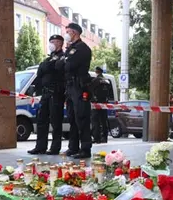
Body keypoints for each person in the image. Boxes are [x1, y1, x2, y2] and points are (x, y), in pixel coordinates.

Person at [58, 23, 93, 159]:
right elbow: (59, 65)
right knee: (72, 118)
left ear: (74, 33)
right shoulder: (70, 49)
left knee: (82, 118)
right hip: (70, 87)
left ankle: (85, 149)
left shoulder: (82, 48)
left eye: (67, 31)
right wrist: (65, 61)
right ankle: (73, 147)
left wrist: (65, 61)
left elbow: (69, 66)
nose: (66, 34)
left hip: (80, 86)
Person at [29, 34, 66, 155]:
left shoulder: (63, 57)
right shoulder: (48, 58)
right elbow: (41, 71)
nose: (51, 44)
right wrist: (48, 66)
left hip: (56, 93)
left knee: (56, 121)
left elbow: (56, 68)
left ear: (60, 43)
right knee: (41, 120)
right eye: (50, 41)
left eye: (54, 42)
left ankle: (55, 148)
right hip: (45, 94)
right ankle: (40, 147)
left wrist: (48, 66)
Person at [89, 66, 113, 144]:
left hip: (96, 104)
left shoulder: (95, 80)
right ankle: (104, 138)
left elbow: (90, 90)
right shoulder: (107, 81)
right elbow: (109, 93)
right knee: (103, 121)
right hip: (104, 104)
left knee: (95, 121)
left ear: (96, 72)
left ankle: (97, 138)